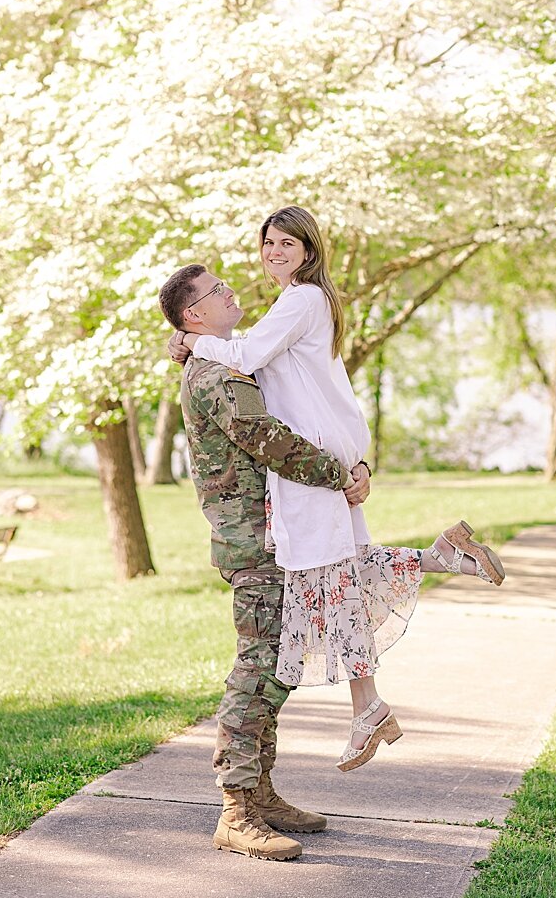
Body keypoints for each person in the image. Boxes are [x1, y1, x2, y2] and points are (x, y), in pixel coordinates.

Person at [166, 207, 505, 778]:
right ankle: (441, 559)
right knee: (344, 572)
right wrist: (358, 454)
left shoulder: (300, 302)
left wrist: (192, 344)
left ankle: (366, 707)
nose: (274, 252)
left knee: (333, 583)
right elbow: (324, 385)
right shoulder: (301, 305)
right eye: (268, 242)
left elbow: (246, 358)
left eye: (287, 243)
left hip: (312, 469)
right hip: (326, 458)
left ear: (308, 249)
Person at [159, 263, 370, 861]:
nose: (231, 292)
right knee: (257, 669)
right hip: (254, 541)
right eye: (216, 291)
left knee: (278, 665)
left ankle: (262, 792)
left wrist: (353, 466)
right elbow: (267, 437)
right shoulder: (214, 372)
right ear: (193, 314)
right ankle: (236, 809)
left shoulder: (225, 357)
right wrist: (340, 476)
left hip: (277, 536)